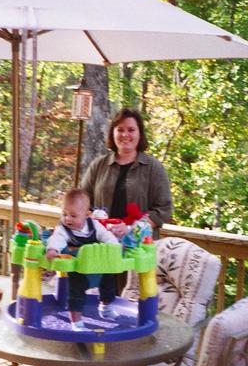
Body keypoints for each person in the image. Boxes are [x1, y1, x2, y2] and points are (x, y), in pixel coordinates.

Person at [81, 108, 172, 240]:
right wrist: (93, 218)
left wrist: (132, 228)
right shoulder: (98, 165)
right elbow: (82, 201)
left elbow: (164, 209)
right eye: (120, 130)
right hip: (101, 242)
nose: (125, 134)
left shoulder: (153, 168)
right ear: (113, 133)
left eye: (131, 130)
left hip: (139, 244)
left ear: (140, 133)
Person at [46, 188, 120, 331]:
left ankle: (106, 307)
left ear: (87, 215)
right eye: (64, 214)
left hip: (97, 264)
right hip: (77, 267)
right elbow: (57, 239)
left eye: (73, 216)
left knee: (109, 280)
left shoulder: (95, 226)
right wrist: (53, 249)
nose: (68, 219)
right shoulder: (63, 229)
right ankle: (76, 321)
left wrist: (114, 247)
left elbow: (107, 236)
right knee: (76, 291)